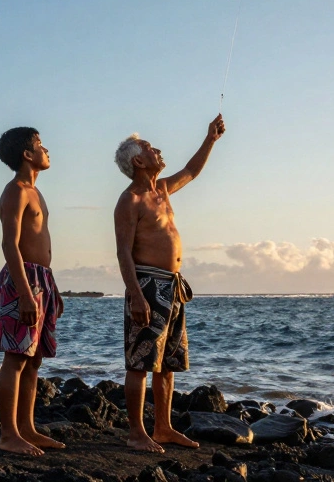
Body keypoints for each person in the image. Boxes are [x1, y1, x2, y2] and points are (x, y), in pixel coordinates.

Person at [113, 114, 226, 452]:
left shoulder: (161, 189)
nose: (157, 150)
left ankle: (163, 427)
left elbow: (192, 171)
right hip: (147, 284)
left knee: (168, 363)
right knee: (140, 361)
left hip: (173, 285)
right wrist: (136, 295)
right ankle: (136, 433)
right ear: (138, 160)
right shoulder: (130, 200)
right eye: (150, 148)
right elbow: (122, 252)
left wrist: (210, 139)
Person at [0, 127, 65, 456]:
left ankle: (27, 428)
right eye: (40, 145)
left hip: (42, 279)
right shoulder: (16, 191)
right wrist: (24, 292)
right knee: (16, 358)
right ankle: (8, 434)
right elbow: (10, 244)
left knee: (34, 359)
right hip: (22, 279)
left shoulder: (37, 193)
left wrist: (52, 288)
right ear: (27, 154)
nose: (46, 149)